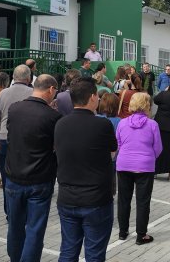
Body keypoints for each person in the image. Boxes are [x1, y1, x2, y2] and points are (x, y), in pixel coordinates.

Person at [55, 77, 118, 262]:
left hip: (67, 197)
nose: (98, 100)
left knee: (68, 250)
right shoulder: (102, 124)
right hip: (96, 199)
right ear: (92, 97)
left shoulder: (61, 124)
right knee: (95, 253)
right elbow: (112, 153)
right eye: (97, 96)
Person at [4, 75, 62, 262]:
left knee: (15, 226)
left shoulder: (15, 109)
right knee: (35, 229)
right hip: (40, 178)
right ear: (51, 89)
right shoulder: (53, 117)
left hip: (14, 175)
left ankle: (15, 258)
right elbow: (56, 146)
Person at [115, 92, 162, 245]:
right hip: (145, 166)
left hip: (124, 165)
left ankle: (122, 231)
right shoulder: (152, 125)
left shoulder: (122, 123)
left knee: (123, 200)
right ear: (147, 105)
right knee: (143, 201)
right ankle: (141, 235)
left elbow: (119, 144)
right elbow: (158, 148)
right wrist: (148, 158)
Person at [0, 64, 34, 218]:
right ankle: (24, 210)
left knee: (6, 175)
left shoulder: (3, 93)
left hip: (4, 139)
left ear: (13, 78)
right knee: (25, 177)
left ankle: (9, 210)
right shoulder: (33, 92)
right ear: (28, 78)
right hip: (26, 140)